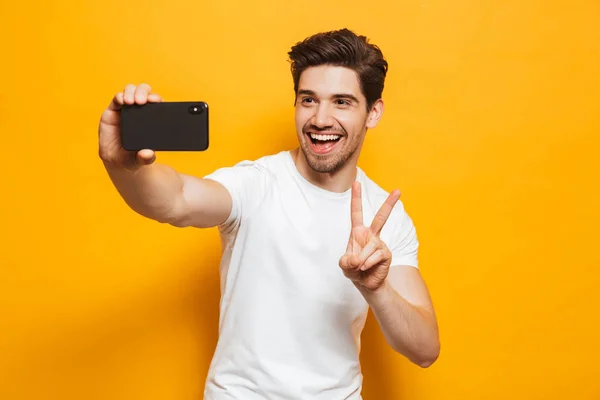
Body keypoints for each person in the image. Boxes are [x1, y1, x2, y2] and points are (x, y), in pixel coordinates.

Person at [98, 28, 440, 400]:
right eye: (308, 100)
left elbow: (424, 349)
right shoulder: (256, 183)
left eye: (342, 102)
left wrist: (377, 289)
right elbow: (176, 200)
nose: (321, 119)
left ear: (373, 112)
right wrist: (122, 165)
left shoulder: (385, 216)